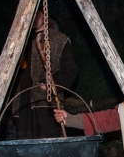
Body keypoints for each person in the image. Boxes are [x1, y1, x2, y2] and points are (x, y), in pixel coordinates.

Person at [9, 10, 77, 139]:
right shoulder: (20, 42)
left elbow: (70, 70)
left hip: (46, 105)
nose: (33, 17)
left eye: (37, 13)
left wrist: (51, 83)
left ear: (45, 15)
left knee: (50, 146)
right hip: (22, 106)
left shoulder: (59, 39)